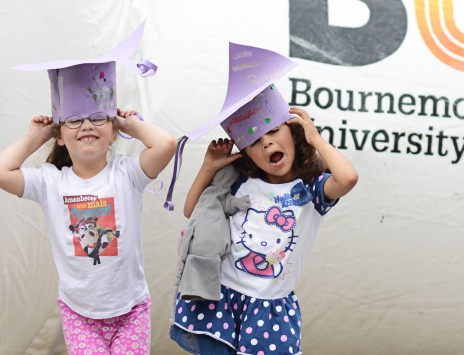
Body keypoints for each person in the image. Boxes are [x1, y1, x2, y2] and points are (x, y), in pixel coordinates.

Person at [170, 102, 359, 354]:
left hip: (269, 309)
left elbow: (348, 178)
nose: (266, 143)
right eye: (254, 140)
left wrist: (314, 138)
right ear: (246, 153)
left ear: (293, 134)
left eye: (273, 131)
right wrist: (209, 167)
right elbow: (192, 211)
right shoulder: (241, 182)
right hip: (223, 295)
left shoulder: (313, 189)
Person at [0, 108, 176, 353]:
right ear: (59, 136)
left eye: (97, 117)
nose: (86, 125)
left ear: (112, 131)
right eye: (73, 120)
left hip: (131, 311)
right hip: (79, 314)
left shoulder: (127, 173)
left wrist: (129, 124)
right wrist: (36, 137)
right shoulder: (50, 182)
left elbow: (166, 144)